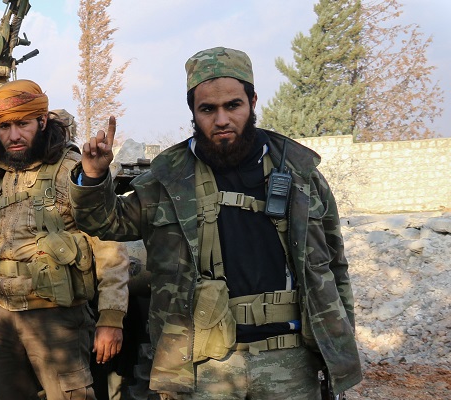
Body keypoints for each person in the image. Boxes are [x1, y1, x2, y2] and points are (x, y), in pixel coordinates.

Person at [69, 47, 363, 399]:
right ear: (193, 111)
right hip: (205, 364)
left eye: (233, 106)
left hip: (290, 359)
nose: (221, 119)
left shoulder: (300, 175)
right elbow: (105, 222)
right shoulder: (167, 180)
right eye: (207, 109)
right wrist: (93, 176)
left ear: (252, 101)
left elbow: (334, 265)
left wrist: (339, 344)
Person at [0, 79, 131, 400]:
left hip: (57, 319)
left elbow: (109, 249)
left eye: (22, 124)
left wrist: (111, 318)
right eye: (4, 126)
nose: (13, 135)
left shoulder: (71, 172)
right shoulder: (0, 174)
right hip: (3, 316)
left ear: (42, 121)